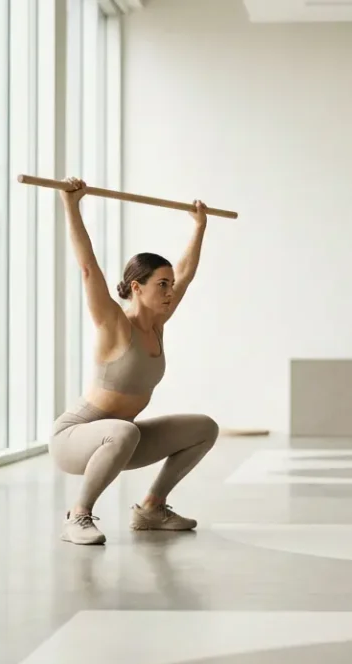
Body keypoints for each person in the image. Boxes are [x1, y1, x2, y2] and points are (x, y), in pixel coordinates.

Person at [49, 177, 219, 545]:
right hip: (75, 438)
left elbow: (187, 272)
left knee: (204, 427)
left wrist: (199, 226)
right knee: (124, 429)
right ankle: (77, 517)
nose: (171, 291)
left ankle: (151, 509)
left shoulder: (158, 323)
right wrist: (71, 205)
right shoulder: (114, 325)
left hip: (121, 438)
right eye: (162, 284)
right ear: (137, 287)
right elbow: (88, 268)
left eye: (170, 284)